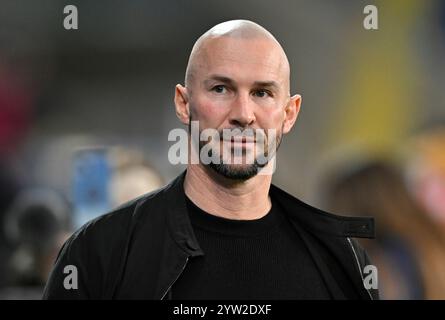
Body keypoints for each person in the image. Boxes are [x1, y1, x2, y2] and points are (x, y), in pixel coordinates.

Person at [43, 20, 378, 300]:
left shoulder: (341, 263)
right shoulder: (99, 253)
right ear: (183, 103)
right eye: (221, 89)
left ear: (289, 113)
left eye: (262, 93)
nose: (243, 115)